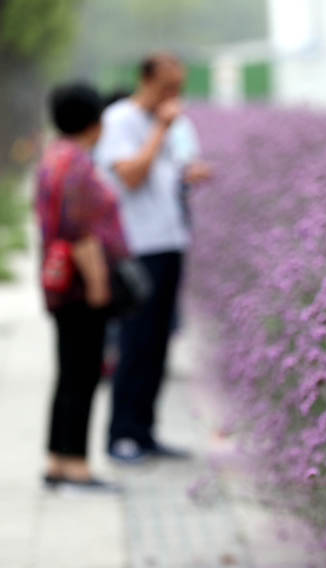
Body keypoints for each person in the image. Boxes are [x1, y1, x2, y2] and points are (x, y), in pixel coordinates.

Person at [95, 52, 211, 463]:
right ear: (145, 80)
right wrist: (161, 129)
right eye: (167, 88)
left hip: (169, 241)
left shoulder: (157, 125)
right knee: (135, 342)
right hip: (138, 247)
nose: (173, 97)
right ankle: (121, 435)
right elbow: (129, 176)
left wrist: (187, 173)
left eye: (178, 89)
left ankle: (145, 431)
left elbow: (162, 174)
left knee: (159, 343)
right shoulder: (120, 120)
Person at [36, 82, 129, 490]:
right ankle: (75, 465)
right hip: (79, 285)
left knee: (68, 371)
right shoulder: (77, 164)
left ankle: (58, 460)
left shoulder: (53, 156)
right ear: (94, 121)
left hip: (57, 281)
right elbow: (81, 231)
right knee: (83, 373)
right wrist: (97, 283)